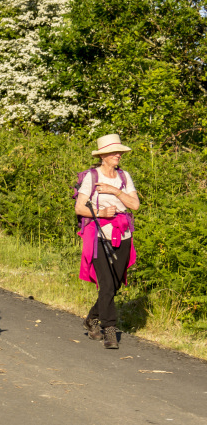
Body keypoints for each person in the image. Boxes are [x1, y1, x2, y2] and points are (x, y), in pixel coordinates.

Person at [75, 134, 139, 349]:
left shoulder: (124, 177)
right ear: (103, 156)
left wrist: (114, 190)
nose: (118, 155)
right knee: (107, 283)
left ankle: (92, 318)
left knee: (116, 282)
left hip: (123, 234)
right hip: (98, 235)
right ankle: (109, 328)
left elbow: (135, 205)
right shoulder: (91, 177)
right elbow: (80, 208)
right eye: (114, 152)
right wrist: (102, 213)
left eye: (119, 152)